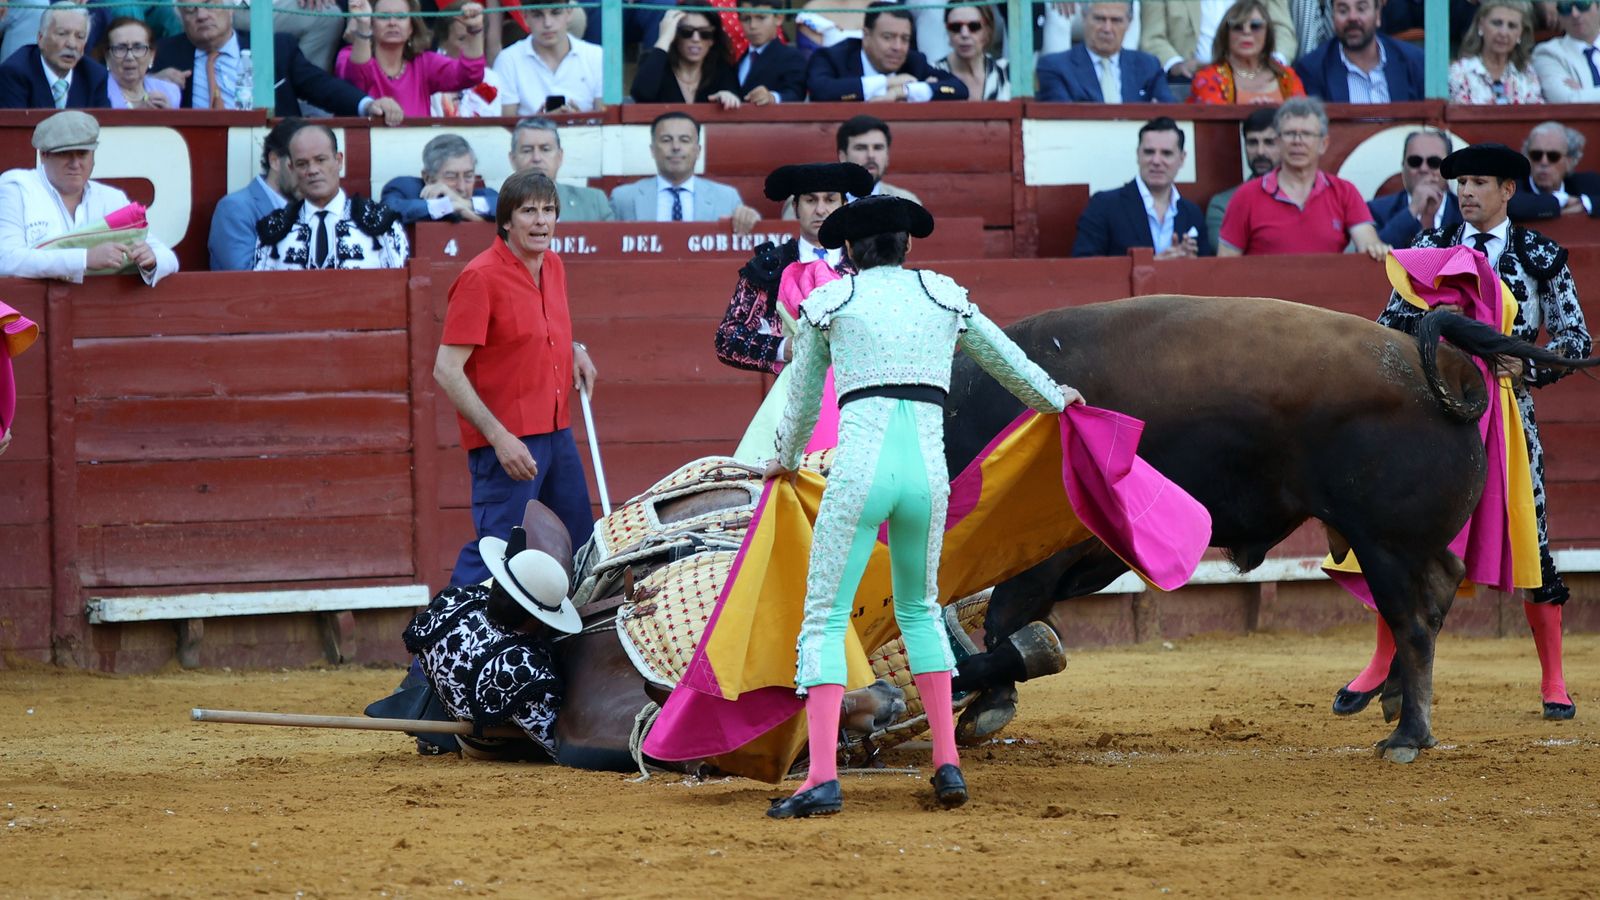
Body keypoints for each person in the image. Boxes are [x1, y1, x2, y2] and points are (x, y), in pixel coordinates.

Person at [761, 194, 1081, 818]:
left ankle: (821, 778)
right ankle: (946, 763)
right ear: (907, 246)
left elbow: (801, 400)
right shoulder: (942, 296)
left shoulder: (831, 302)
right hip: (927, 479)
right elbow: (1008, 362)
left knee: (824, 616)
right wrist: (1055, 398)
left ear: (849, 250)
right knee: (920, 609)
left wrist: (787, 459)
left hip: (860, 472)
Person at [1340, 143, 1591, 722]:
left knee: (1531, 540)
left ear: (1508, 190)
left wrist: (1526, 366)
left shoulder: (1540, 256)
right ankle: (1381, 661)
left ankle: (1553, 678)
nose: (1467, 192)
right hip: (1433, 418)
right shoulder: (1429, 249)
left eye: (1479, 182)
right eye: (1462, 183)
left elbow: (1575, 341)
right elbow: (1387, 329)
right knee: (1403, 536)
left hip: (1507, 415)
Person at [433, 170, 598, 583]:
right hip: (507, 442)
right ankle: (445, 628)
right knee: (499, 554)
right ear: (506, 220)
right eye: (529, 211)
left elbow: (535, 329)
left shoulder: (553, 265)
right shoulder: (480, 277)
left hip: (557, 432)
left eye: (548, 210)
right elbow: (446, 370)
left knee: (579, 546)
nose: (541, 221)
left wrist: (574, 347)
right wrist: (499, 437)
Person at [717, 163, 874, 462]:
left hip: (859, 399)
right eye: (811, 200)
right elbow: (728, 339)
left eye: (830, 199)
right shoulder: (770, 267)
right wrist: (784, 348)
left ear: (844, 205)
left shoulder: (866, 264)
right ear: (796, 208)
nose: (821, 209)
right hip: (793, 400)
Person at [402, 524, 579, 760]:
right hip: (491, 746)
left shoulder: (453, 603)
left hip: (449, 706)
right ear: (536, 619)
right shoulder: (525, 670)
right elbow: (560, 745)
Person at [150, 0, 406, 123]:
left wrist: (368, 104)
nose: (202, 15)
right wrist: (150, 82)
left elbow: (321, 85)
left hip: (270, 153)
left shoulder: (275, 48)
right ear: (181, 18)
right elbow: (129, 88)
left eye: (210, 4)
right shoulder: (164, 54)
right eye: (190, 10)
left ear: (230, 8)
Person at [0, 110, 177, 285]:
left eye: (82, 153)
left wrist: (151, 259)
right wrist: (85, 258)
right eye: (65, 154)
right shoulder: (17, 187)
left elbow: (168, 258)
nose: (75, 164)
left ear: (93, 156)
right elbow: (6, 260)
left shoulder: (111, 198)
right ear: (43, 155)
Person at [1218, 97, 1386, 258]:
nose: (1297, 141)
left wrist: (1376, 248)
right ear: (1278, 142)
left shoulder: (1344, 192)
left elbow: (1368, 245)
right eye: (1290, 134)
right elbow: (1226, 264)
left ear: (1323, 144)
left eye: (1306, 134)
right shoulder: (1246, 196)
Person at [253, 124, 409, 271]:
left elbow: (398, 284)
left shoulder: (382, 223)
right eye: (302, 164)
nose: (312, 170)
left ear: (339, 161)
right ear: (291, 169)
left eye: (320, 160)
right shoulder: (273, 229)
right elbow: (261, 288)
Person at [1072, 117, 1210, 259]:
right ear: (1138, 154)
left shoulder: (1192, 213)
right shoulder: (1104, 205)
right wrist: (1153, 265)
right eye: (1149, 152)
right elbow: (1083, 264)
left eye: (1166, 153)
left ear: (1182, 158)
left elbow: (1209, 268)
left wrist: (1192, 264)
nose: (1156, 161)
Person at [610, 111, 761, 234]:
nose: (676, 147)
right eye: (666, 140)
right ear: (653, 150)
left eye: (684, 140)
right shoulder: (623, 198)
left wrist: (749, 219)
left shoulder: (727, 198)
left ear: (698, 150)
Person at [336, 0, 485, 118]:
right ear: (372, 24)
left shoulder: (424, 63)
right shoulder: (348, 55)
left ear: (411, 27)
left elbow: (469, 75)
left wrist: (475, 31)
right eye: (383, 17)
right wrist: (363, 25)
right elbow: (357, 80)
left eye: (401, 17)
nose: (392, 22)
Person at [804, 1, 967, 102]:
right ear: (866, 36)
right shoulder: (832, 57)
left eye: (905, 39)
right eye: (888, 37)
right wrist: (887, 83)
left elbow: (959, 89)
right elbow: (821, 91)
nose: (897, 47)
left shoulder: (914, 62)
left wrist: (903, 91)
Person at [209, 116, 304, 272]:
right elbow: (245, 279)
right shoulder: (235, 209)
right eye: (301, 163)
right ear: (275, 161)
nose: (309, 173)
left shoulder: (312, 208)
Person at [1036, 1, 1172, 103]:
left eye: (1116, 20)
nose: (1107, 28)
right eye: (1099, 19)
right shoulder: (1055, 67)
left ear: (1129, 23)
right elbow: (1061, 118)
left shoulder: (1148, 66)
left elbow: (1170, 112)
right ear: (1084, 17)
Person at [1293, 0, 1426, 102]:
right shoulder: (1313, 70)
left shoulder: (1415, 62)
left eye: (1361, 8)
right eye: (1343, 10)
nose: (1352, 17)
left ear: (1378, 14)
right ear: (1332, 17)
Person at [1141, 0, 1294, 83]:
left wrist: (1273, 63)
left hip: (1258, 75)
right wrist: (1177, 65)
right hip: (1189, 79)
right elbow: (1152, 37)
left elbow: (1283, 30)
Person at [493, 3, 605, 115]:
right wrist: (539, 122)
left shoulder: (597, 56)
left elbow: (607, 120)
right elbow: (505, 122)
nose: (547, 23)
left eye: (556, 13)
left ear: (569, 12)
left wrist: (580, 120)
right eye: (537, 15)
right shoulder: (507, 60)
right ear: (525, 17)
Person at [1187, 0, 1307, 104]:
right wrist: (1251, 114)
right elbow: (1215, 122)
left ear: (1268, 33)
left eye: (1255, 26)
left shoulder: (1287, 76)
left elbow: (1304, 117)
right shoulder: (1207, 78)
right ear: (1225, 34)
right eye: (1237, 26)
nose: (1246, 31)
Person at [0, 3, 110, 109]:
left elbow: (103, 121)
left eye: (80, 37)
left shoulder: (95, 76)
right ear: (40, 38)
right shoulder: (15, 73)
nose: (72, 44)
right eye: (62, 34)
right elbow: (16, 121)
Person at [630, 5, 742, 107]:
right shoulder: (656, 64)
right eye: (686, 32)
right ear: (675, 35)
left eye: (705, 34)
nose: (696, 39)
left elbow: (736, 99)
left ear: (712, 40)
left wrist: (728, 96)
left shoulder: (721, 70)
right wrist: (664, 38)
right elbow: (641, 94)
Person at [1367, 129, 1464, 248]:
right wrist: (1412, 210)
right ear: (1403, 165)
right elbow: (1372, 254)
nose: (1423, 169)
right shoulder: (1377, 210)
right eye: (1415, 161)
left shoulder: (1465, 211)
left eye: (1434, 162)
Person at [508, 117, 613, 222]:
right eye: (527, 151)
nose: (536, 158)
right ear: (512, 159)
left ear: (559, 156)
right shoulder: (500, 207)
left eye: (545, 149)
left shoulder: (593, 202)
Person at [1205, 106, 1279, 250]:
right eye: (1252, 143)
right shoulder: (1223, 204)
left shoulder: (1303, 198)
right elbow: (1226, 256)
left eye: (1269, 142)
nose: (1260, 152)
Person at [382, 133, 498, 225]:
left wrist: (464, 203)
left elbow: (505, 206)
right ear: (428, 177)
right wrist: (445, 206)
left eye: (468, 176)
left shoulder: (484, 195)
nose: (462, 187)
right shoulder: (405, 189)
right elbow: (387, 210)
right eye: (451, 177)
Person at [1450, 0, 1544, 104]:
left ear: (1521, 33)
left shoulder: (1527, 73)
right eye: (1497, 23)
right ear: (1481, 25)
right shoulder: (1459, 72)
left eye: (1512, 26)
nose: (1503, 33)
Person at [1509, 120, 1600, 222]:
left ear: (1569, 161)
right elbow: (1510, 205)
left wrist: (1584, 204)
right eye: (1536, 155)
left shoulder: (1587, 183)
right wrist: (1561, 201)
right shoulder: (1513, 186)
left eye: (1553, 156)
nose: (1544, 162)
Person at [428, 11, 508, 117]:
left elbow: (491, 122)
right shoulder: (429, 76)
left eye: (475, 38)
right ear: (443, 41)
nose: (471, 45)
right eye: (462, 39)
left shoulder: (490, 79)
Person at [734, 0, 804, 105]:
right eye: (746, 19)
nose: (753, 25)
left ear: (779, 19)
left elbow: (796, 94)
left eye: (761, 18)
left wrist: (772, 97)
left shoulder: (791, 57)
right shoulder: (738, 59)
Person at [934, 4, 1010, 101]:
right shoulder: (932, 74)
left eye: (974, 26)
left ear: (987, 31)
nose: (964, 34)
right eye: (955, 27)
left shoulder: (1007, 73)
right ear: (947, 31)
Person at [1531, 0, 1600, 104]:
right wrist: (1580, 96)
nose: (1575, 14)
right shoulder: (1548, 52)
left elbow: (1578, 100)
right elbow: (1567, 101)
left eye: (1582, 4)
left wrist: (1583, 93)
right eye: (1565, 8)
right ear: (1559, 15)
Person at [103, 17, 179, 109]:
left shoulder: (169, 91)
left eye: (138, 48)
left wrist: (170, 115)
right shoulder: (98, 93)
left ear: (152, 55)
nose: (130, 57)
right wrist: (138, 113)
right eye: (120, 48)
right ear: (107, 57)